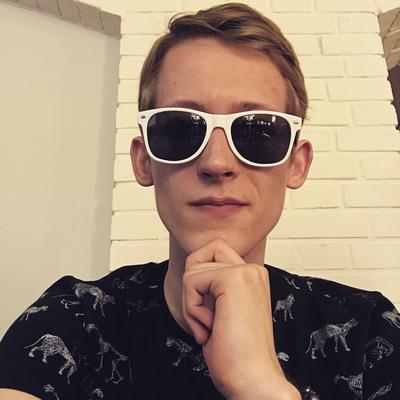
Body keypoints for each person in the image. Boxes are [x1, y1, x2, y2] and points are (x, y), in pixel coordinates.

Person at [1, 2, 399, 400]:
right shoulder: (73, 319)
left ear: (296, 164)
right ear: (143, 161)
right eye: (180, 129)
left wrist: (259, 385)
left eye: (258, 132)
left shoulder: (370, 332)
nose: (217, 163)